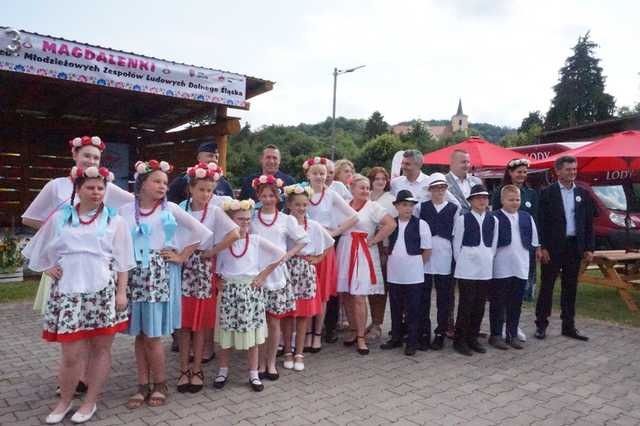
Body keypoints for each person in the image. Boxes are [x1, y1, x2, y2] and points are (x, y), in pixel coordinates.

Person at [21, 136, 133, 398]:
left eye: (95, 158)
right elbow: (30, 217)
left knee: (93, 331)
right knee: (71, 334)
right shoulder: (56, 186)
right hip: (65, 270)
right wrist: (53, 248)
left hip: (95, 270)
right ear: (74, 155)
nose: (91, 161)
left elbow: (130, 205)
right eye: (86, 156)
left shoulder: (102, 185)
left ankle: (85, 379)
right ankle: (71, 380)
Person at [121, 160, 212, 409]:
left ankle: (160, 383)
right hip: (133, 275)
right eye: (156, 181)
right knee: (138, 335)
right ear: (142, 185)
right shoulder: (126, 211)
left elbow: (202, 233)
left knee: (152, 335)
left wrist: (182, 256)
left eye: (164, 182)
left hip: (157, 278)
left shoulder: (169, 209)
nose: (162, 186)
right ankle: (142, 385)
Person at [176, 162, 240, 394]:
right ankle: (183, 368)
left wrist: (213, 251)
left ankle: (197, 369)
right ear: (190, 188)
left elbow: (235, 233)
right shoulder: (181, 208)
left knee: (200, 323)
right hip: (182, 269)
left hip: (203, 271)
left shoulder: (214, 211)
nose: (205, 194)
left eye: (209, 190)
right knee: (184, 325)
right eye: (201, 189)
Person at [213, 199, 285, 392]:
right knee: (226, 334)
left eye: (247, 219)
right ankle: (222, 371)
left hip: (250, 292)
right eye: (239, 219)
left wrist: (263, 275)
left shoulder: (255, 240)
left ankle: (253, 373)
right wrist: (217, 280)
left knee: (252, 335)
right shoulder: (223, 243)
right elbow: (215, 267)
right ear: (230, 221)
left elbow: (280, 254)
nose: (244, 223)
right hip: (229, 292)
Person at [250, 175, 308, 381]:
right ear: (258, 196)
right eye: (264, 196)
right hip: (256, 276)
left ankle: (271, 362)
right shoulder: (252, 218)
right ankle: (257, 363)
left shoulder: (286, 219)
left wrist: (287, 256)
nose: (267, 200)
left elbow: (303, 240)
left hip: (277, 276)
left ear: (278, 197)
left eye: (271, 195)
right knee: (258, 322)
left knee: (274, 322)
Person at [535, 155, 595, 342]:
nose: (572, 172)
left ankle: (568, 326)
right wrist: (542, 246)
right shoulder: (547, 193)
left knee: (570, 288)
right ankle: (541, 325)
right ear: (558, 171)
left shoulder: (583, 194)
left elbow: (588, 223)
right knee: (547, 287)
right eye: (568, 169)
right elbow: (540, 222)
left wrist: (589, 248)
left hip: (574, 247)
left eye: (574, 169)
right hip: (552, 248)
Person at [336, 174, 396, 355]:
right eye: (361, 187)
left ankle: (361, 336)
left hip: (363, 251)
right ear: (352, 189)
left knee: (359, 295)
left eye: (367, 188)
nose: (365, 191)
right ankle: (353, 329)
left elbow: (390, 224)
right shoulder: (344, 206)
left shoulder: (373, 207)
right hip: (345, 248)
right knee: (346, 293)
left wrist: (374, 239)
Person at [304, 157, 358, 349]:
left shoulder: (332, 194)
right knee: (307, 291)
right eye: (315, 173)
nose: (319, 176)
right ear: (308, 175)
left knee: (323, 293)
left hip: (325, 247)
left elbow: (354, 216)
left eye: (322, 173)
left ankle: (318, 333)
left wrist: (334, 233)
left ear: (327, 175)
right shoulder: (303, 193)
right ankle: (307, 332)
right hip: (306, 247)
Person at [281, 184, 334, 372]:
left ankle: (300, 352)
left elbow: (329, 243)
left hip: (305, 271)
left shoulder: (314, 226)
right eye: (297, 205)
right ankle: (287, 350)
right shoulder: (283, 222)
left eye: (304, 205)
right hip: (287, 269)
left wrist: (318, 258)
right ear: (289, 205)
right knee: (288, 314)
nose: (301, 208)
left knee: (303, 314)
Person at [380, 190, 432, 356]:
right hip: (395, 272)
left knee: (413, 308)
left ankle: (412, 340)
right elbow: (386, 245)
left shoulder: (421, 224)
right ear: (396, 206)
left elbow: (427, 250)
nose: (408, 208)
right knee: (395, 306)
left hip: (414, 273)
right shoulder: (391, 224)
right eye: (404, 205)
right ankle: (396, 337)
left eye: (410, 205)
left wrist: (416, 264)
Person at [490, 185, 541, 350]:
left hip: (521, 266)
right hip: (501, 267)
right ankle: (496, 334)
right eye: (510, 200)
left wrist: (536, 254)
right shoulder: (495, 217)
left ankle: (512, 333)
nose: (514, 203)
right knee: (498, 302)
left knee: (515, 303)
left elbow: (534, 241)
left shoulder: (526, 217)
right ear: (502, 200)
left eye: (517, 199)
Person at [452, 184, 498, 356]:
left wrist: (486, 257)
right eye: (478, 198)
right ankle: (460, 339)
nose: (482, 201)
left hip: (485, 267)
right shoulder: (463, 219)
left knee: (479, 305)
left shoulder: (493, 219)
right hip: (467, 267)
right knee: (466, 304)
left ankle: (473, 337)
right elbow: (457, 245)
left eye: (484, 198)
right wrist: (464, 261)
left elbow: (493, 244)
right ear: (470, 201)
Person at [415, 173, 460, 351]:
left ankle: (441, 332)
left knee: (444, 298)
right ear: (430, 189)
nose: (439, 191)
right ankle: (424, 332)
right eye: (435, 187)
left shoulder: (453, 208)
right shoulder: (421, 207)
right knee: (424, 297)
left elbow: (456, 234)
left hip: (445, 255)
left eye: (442, 187)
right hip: (426, 255)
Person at [492, 158, 540, 303]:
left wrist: (538, 245)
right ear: (510, 173)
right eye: (519, 172)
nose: (522, 175)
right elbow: (495, 216)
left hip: (525, 242)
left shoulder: (531, 193)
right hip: (505, 241)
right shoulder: (500, 191)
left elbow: (535, 218)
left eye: (525, 172)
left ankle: (523, 300)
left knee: (524, 276)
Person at [365, 167, 396, 341]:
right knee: (368, 287)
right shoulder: (365, 196)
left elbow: (393, 225)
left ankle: (377, 323)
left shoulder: (390, 200)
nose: (380, 181)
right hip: (363, 247)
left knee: (380, 288)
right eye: (377, 178)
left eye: (383, 179)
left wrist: (379, 235)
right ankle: (370, 321)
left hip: (382, 247)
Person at [167, 142, 234, 203]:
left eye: (216, 157)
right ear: (199, 158)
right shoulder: (184, 179)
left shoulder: (224, 183)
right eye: (210, 156)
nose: (214, 159)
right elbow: (168, 202)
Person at [445, 149, 482, 214]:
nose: (466, 165)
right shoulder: (443, 182)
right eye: (463, 162)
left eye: (468, 162)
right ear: (452, 163)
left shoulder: (477, 181)